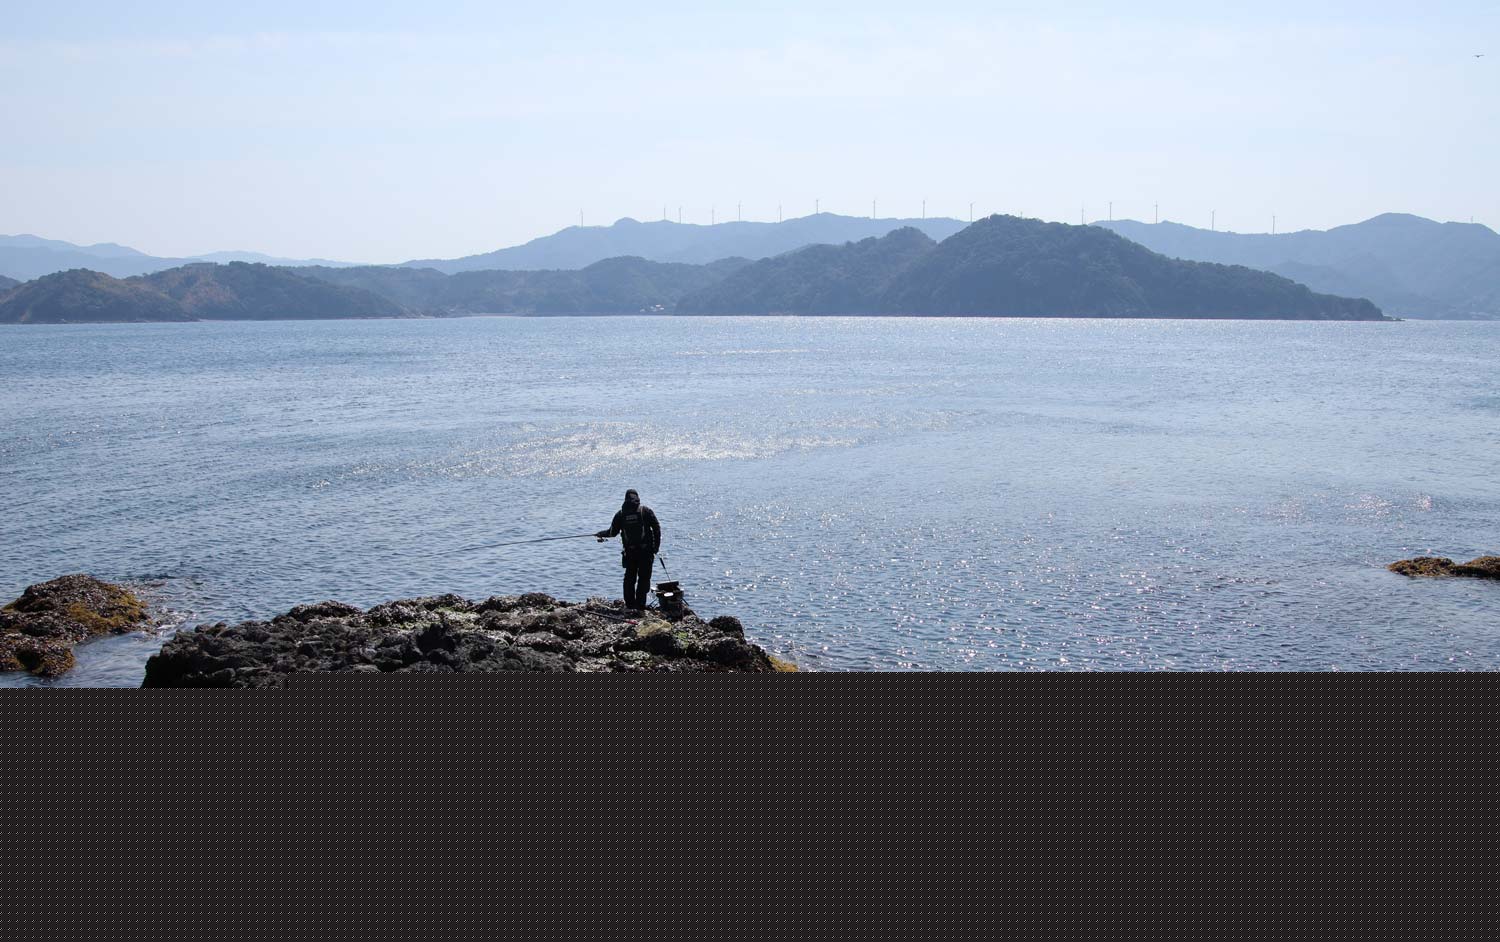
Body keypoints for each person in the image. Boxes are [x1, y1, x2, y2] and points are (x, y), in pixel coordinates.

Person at [596, 489, 661, 612]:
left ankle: (630, 605)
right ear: (637, 498)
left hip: (630, 553)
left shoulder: (621, 514)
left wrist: (600, 534)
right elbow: (657, 528)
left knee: (629, 579)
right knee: (644, 579)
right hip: (646, 552)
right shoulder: (645, 511)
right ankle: (640, 606)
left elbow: (612, 533)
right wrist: (655, 547)